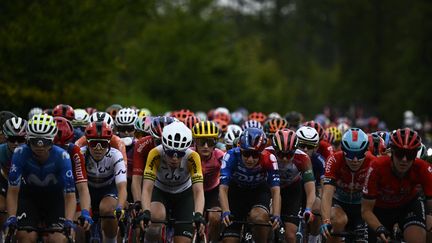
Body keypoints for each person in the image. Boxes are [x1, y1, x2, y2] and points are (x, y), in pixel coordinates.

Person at [4, 114, 76, 242]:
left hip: (55, 200)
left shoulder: (63, 157)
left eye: (45, 141)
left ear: (52, 140)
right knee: (26, 237)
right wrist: (11, 217)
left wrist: (69, 221)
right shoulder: (20, 153)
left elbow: (70, 195)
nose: (40, 146)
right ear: (28, 140)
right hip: (28, 199)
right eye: (35, 141)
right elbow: (13, 191)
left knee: (58, 239)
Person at [362, 128, 432, 243]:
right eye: (400, 154)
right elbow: (365, 210)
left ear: (415, 156)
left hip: (409, 206)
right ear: (392, 152)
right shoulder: (376, 167)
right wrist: (379, 228)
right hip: (380, 209)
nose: (404, 160)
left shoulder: (424, 168)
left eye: (409, 155)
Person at [140, 122, 205, 243]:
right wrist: (146, 212)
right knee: (156, 217)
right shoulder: (155, 153)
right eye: (170, 153)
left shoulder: (193, 157)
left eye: (180, 154)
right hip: (160, 191)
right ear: (164, 147)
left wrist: (199, 214)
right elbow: (147, 188)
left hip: (184, 194)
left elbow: (198, 191)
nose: (174, 158)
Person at [219, 128, 281, 243]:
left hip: (258, 192)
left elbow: (276, 191)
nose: (250, 159)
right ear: (240, 149)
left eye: (255, 155)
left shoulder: (269, 158)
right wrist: (226, 211)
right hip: (236, 192)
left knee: (259, 218)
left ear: (261, 152)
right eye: (246, 154)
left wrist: (276, 215)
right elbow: (223, 189)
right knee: (229, 240)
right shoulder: (230, 156)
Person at [320, 128, 375, 243]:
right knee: (339, 221)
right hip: (339, 204)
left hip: (362, 207)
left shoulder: (373, 162)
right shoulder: (334, 159)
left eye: (359, 154)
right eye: (350, 154)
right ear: (343, 151)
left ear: (366, 151)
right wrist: (326, 220)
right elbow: (326, 194)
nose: (355, 160)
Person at [266, 129, 316, 243]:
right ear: (274, 149)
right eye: (280, 154)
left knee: (290, 235)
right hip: (270, 189)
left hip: (292, 190)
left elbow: (311, 188)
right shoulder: (267, 153)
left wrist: (308, 209)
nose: (284, 159)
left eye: (289, 155)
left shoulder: (303, 158)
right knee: (266, 227)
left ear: (295, 150)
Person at [82, 121, 127, 243]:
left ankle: (110, 240)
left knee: (108, 210)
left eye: (102, 144)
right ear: (87, 143)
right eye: (94, 143)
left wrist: (120, 208)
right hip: (86, 189)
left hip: (108, 190)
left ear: (108, 144)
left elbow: (122, 187)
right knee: (79, 219)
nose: (98, 148)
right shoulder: (81, 154)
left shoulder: (115, 155)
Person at [53, 117, 92, 233]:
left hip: (71, 194)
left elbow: (83, 187)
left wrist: (85, 211)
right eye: (56, 147)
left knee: (79, 229)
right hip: (48, 195)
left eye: (64, 146)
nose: (60, 151)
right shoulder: (37, 151)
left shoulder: (75, 151)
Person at [192, 121, 225, 242]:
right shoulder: (189, 154)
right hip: (192, 191)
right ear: (195, 142)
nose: (206, 146)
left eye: (210, 142)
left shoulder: (220, 155)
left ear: (215, 143)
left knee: (215, 217)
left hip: (212, 191)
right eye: (201, 142)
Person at [0, 117, 27, 230]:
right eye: (12, 139)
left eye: (20, 139)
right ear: (6, 138)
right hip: (5, 181)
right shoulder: (1, 151)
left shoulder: (32, 151)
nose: (16, 143)